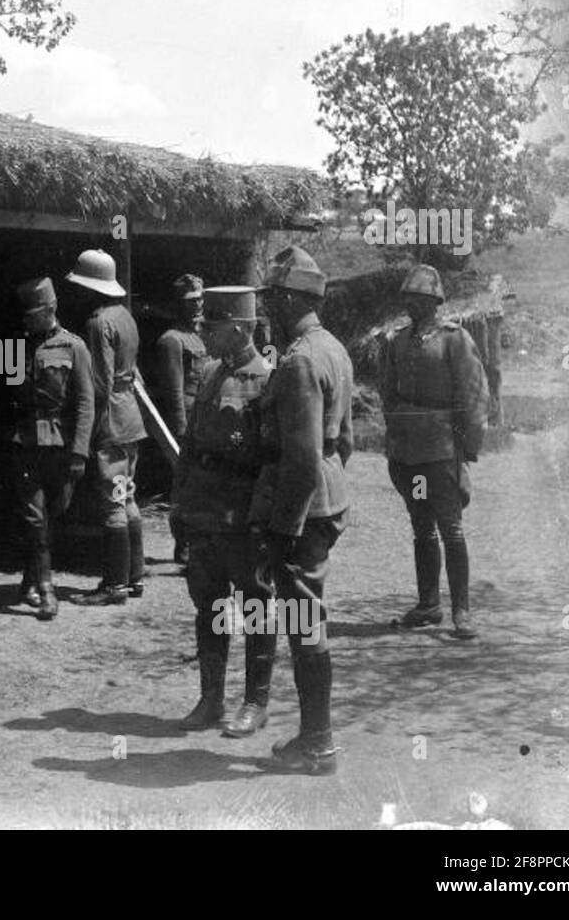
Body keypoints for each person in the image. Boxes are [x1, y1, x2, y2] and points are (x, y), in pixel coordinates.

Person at [251, 247, 353, 775]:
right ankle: (316, 739)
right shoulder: (332, 348)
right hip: (326, 499)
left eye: (273, 296)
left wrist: (284, 528)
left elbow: (302, 457)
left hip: (302, 508)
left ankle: (319, 744)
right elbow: (345, 443)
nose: (268, 305)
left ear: (292, 298)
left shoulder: (298, 361)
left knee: (304, 622)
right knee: (306, 619)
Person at [174, 287, 274, 737]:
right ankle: (211, 698)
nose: (204, 335)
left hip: (243, 514)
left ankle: (255, 702)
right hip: (204, 511)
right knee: (208, 605)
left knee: (255, 605)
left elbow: (275, 458)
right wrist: (181, 504)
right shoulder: (211, 373)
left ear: (238, 328)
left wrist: (265, 517)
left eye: (211, 328)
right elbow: (190, 447)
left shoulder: (268, 379)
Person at [382, 264, 489, 639]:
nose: (411, 303)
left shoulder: (454, 339)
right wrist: (394, 433)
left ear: (434, 301)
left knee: (451, 529)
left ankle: (462, 611)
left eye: (418, 298)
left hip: (442, 451)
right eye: (408, 297)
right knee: (421, 527)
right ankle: (429, 604)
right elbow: (388, 393)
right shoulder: (397, 341)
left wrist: (469, 444)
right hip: (409, 452)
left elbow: (474, 394)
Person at [64, 249, 148, 604]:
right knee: (126, 496)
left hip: (111, 421)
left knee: (113, 501)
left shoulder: (98, 323)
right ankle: (135, 577)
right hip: (131, 419)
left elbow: (101, 383)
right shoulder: (125, 316)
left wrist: (82, 424)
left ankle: (115, 586)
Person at [10, 277, 95, 620]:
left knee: (54, 513)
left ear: (51, 310)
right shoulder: (18, 346)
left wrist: (79, 453)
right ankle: (47, 590)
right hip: (26, 443)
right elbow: (10, 394)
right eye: (25, 316)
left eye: (34, 315)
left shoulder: (74, 347)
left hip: (60, 445)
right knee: (34, 519)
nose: (28, 322)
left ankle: (31, 578)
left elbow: (87, 403)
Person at [157, 273, 209, 566]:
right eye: (191, 300)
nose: (198, 304)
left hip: (208, 420)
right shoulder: (172, 341)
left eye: (201, 297)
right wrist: (179, 431)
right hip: (188, 423)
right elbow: (174, 391)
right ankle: (184, 544)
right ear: (179, 304)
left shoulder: (205, 334)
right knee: (184, 486)